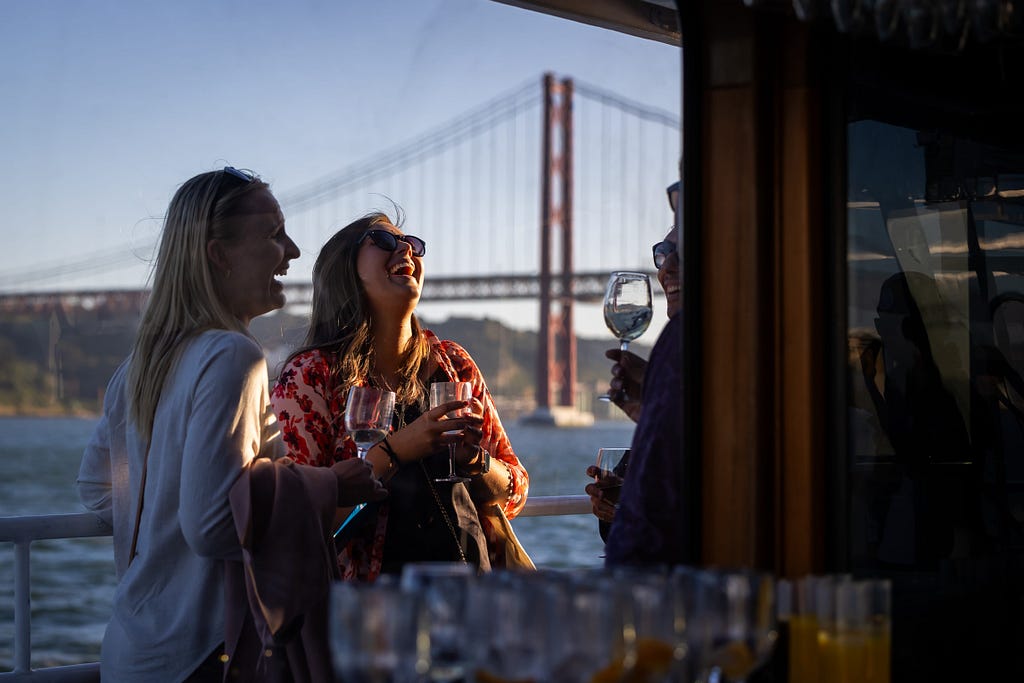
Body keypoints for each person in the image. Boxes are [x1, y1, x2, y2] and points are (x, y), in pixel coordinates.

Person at [76, 167, 387, 682]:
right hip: (205, 654)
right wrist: (330, 482)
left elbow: (95, 490)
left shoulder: (137, 367)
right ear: (218, 254)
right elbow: (215, 526)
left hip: (132, 648)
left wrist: (165, 519)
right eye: (272, 234)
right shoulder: (232, 355)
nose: (293, 250)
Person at [270, 211, 529, 580]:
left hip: (475, 598)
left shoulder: (453, 363)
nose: (405, 249)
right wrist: (396, 451)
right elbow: (296, 517)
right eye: (385, 241)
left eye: (413, 243)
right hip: (370, 611)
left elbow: (516, 490)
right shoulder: (312, 375)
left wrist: (475, 461)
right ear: (344, 269)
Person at [585, 180, 681, 534]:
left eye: (682, 250)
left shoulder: (697, 348)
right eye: (663, 252)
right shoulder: (676, 357)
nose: (665, 268)